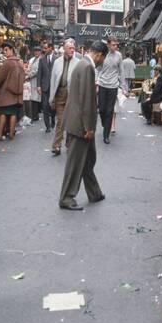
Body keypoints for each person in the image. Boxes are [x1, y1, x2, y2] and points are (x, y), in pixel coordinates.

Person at [58, 41, 108, 211]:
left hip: (77, 121)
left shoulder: (81, 64)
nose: (102, 62)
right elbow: (87, 100)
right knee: (75, 164)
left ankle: (94, 192)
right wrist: (88, 128)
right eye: (103, 58)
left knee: (88, 160)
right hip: (80, 125)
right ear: (100, 55)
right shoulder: (87, 67)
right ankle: (66, 198)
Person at [48, 38, 80, 156]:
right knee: (61, 121)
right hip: (60, 95)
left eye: (73, 48)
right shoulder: (57, 62)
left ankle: (69, 144)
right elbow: (53, 80)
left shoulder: (78, 62)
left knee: (71, 122)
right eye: (70, 48)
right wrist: (51, 99)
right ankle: (56, 146)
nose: (73, 50)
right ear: (64, 49)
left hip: (72, 96)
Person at [0, 42, 25, 141]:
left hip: (7, 93)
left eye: (6, 50)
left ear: (11, 49)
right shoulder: (19, 62)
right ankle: (11, 133)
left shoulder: (7, 63)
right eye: (3, 50)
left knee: (3, 113)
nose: (5, 52)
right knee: (13, 113)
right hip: (17, 94)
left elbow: (0, 78)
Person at [96, 38, 128, 144]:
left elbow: (121, 71)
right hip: (102, 84)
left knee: (110, 111)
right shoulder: (103, 54)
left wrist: (124, 87)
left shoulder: (119, 55)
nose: (116, 47)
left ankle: (106, 135)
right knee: (101, 109)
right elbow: (98, 69)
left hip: (113, 86)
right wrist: (96, 81)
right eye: (113, 45)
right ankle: (105, 124)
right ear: (108, 45)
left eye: (116, 45)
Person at [37, 41, 57, 133]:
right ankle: (47, 126)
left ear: (51, 48)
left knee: (52, 107)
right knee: (45, 106)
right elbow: (39, 74)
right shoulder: (41, 60)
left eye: (46, 48)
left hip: (54, 87)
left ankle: (53, 118)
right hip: (45, 87)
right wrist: (38, 86)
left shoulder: (57, 59)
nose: (44, 50)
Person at [27, 45, 42, 121]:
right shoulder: (31, 59)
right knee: (32, 99)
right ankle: (33, 115)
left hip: (37, 80)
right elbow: (28, 68)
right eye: (35, 51)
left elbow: (37, 70)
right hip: (31, 81)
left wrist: (29, 75)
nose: (36, 52)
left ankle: (35, 116)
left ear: (40, 52)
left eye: (38, 51)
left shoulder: (41, 59)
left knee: (36, 99)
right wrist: (27, 73)